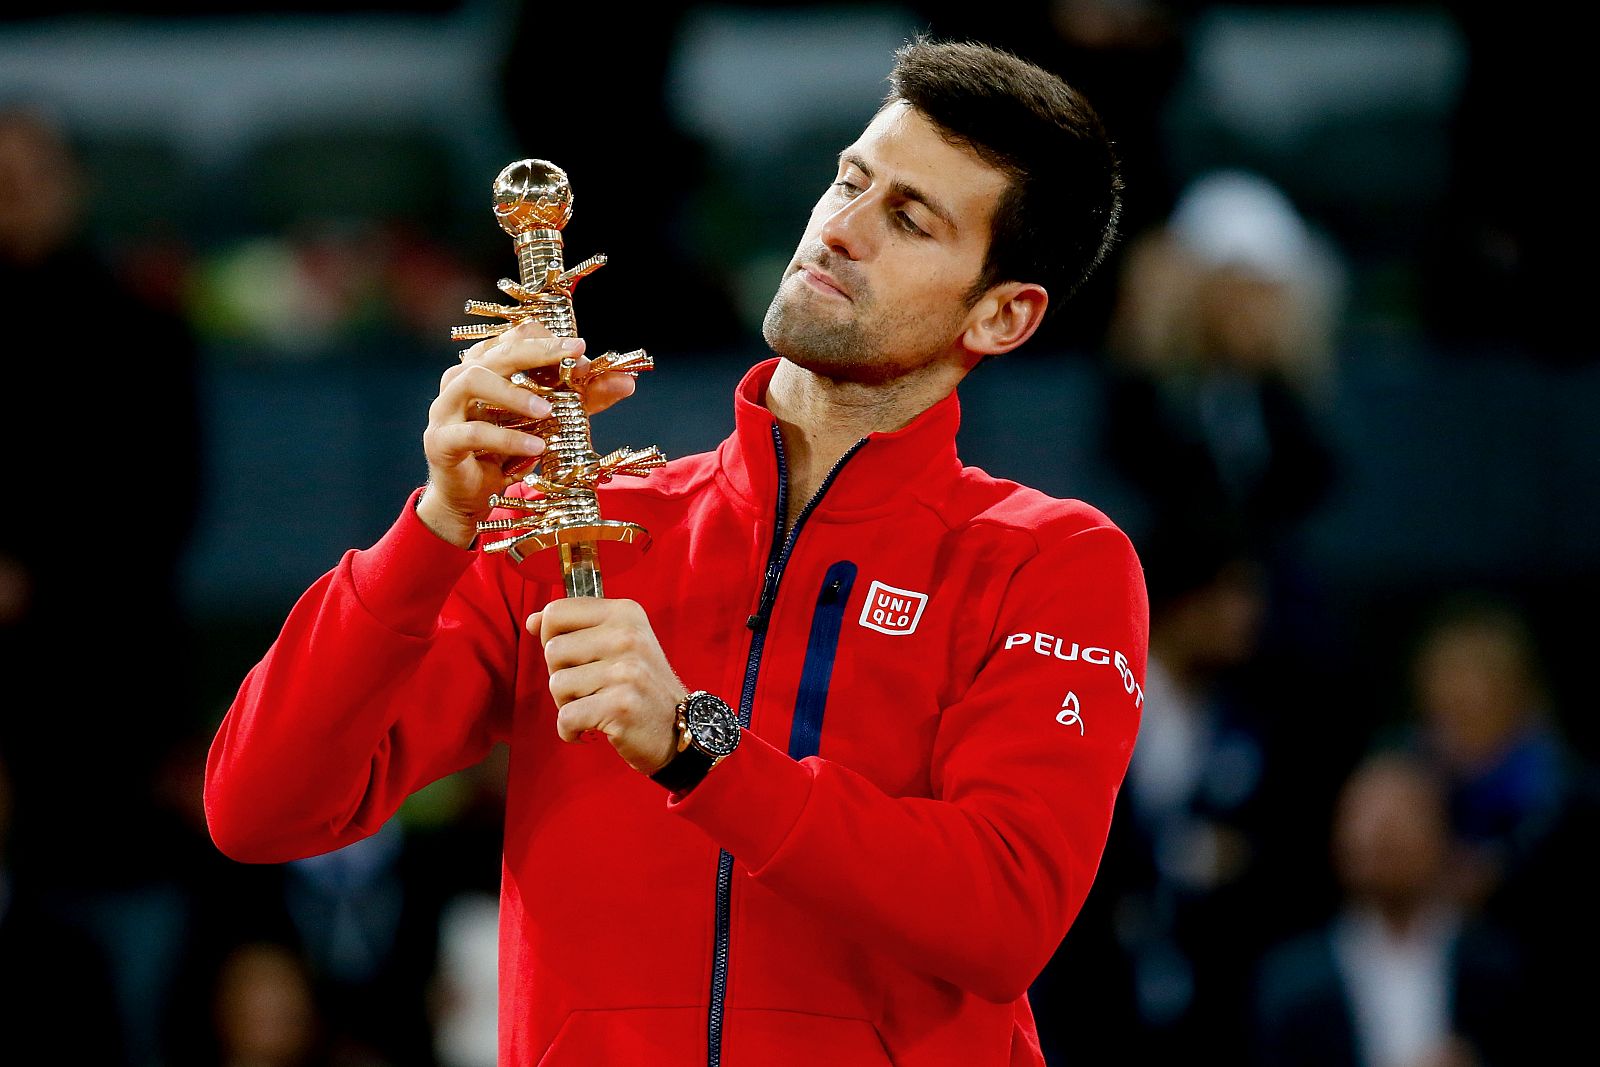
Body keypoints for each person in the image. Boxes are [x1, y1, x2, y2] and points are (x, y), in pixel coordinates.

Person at [206, 38, 1145, 1066]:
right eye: (850, 180)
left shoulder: (1050, 561)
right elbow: (260, 806)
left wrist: (700, 746)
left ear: (1003, 314)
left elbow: (1001, 913)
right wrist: (435, 525)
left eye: (908, 218)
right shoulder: (582, 526)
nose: (840, 229)